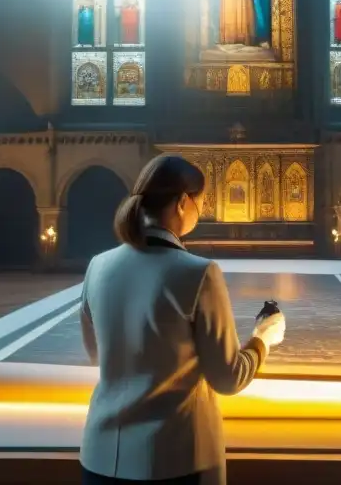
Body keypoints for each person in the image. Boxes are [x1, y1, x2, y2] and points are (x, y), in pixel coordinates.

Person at [79, 155, 287, 484]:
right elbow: (228, 378)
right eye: (199, 202)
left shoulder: (98, 267)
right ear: (181, 203)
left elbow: (99, 357)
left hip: (99, 458)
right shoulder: (198, 273)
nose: (200, 211)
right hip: (170, 460)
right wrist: (263, 338)